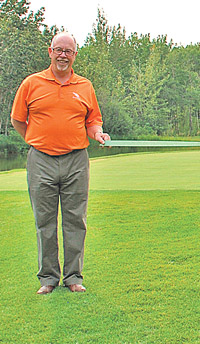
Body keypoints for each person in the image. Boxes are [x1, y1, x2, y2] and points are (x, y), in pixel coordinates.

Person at [11, 32, 110, 295]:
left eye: (68, 51)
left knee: (75, 219)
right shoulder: (31, 84)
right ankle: (48, 278)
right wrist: (37, 140)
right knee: (45, 221)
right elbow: (18, 120)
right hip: (40, 159)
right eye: (59, 50)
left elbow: (92, 120)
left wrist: (98, 133)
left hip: (76, 159)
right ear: (50, 51)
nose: (63, 55)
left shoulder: (84, 86)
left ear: (75, 55)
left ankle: (73, 276)